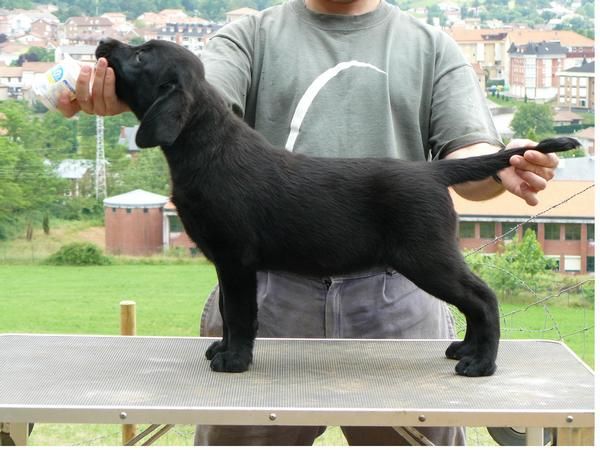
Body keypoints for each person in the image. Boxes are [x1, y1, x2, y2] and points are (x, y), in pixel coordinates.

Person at [59, 0, 559, 445]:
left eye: (141, 52)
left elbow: (465, 153)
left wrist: (501, 167)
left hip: (395, 309)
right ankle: (240, 340)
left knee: (444, 281)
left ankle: (483, 329)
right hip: (278, 303)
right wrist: (122, 89)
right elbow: (198, 94)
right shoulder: (248, 34)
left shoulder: (431, 45)